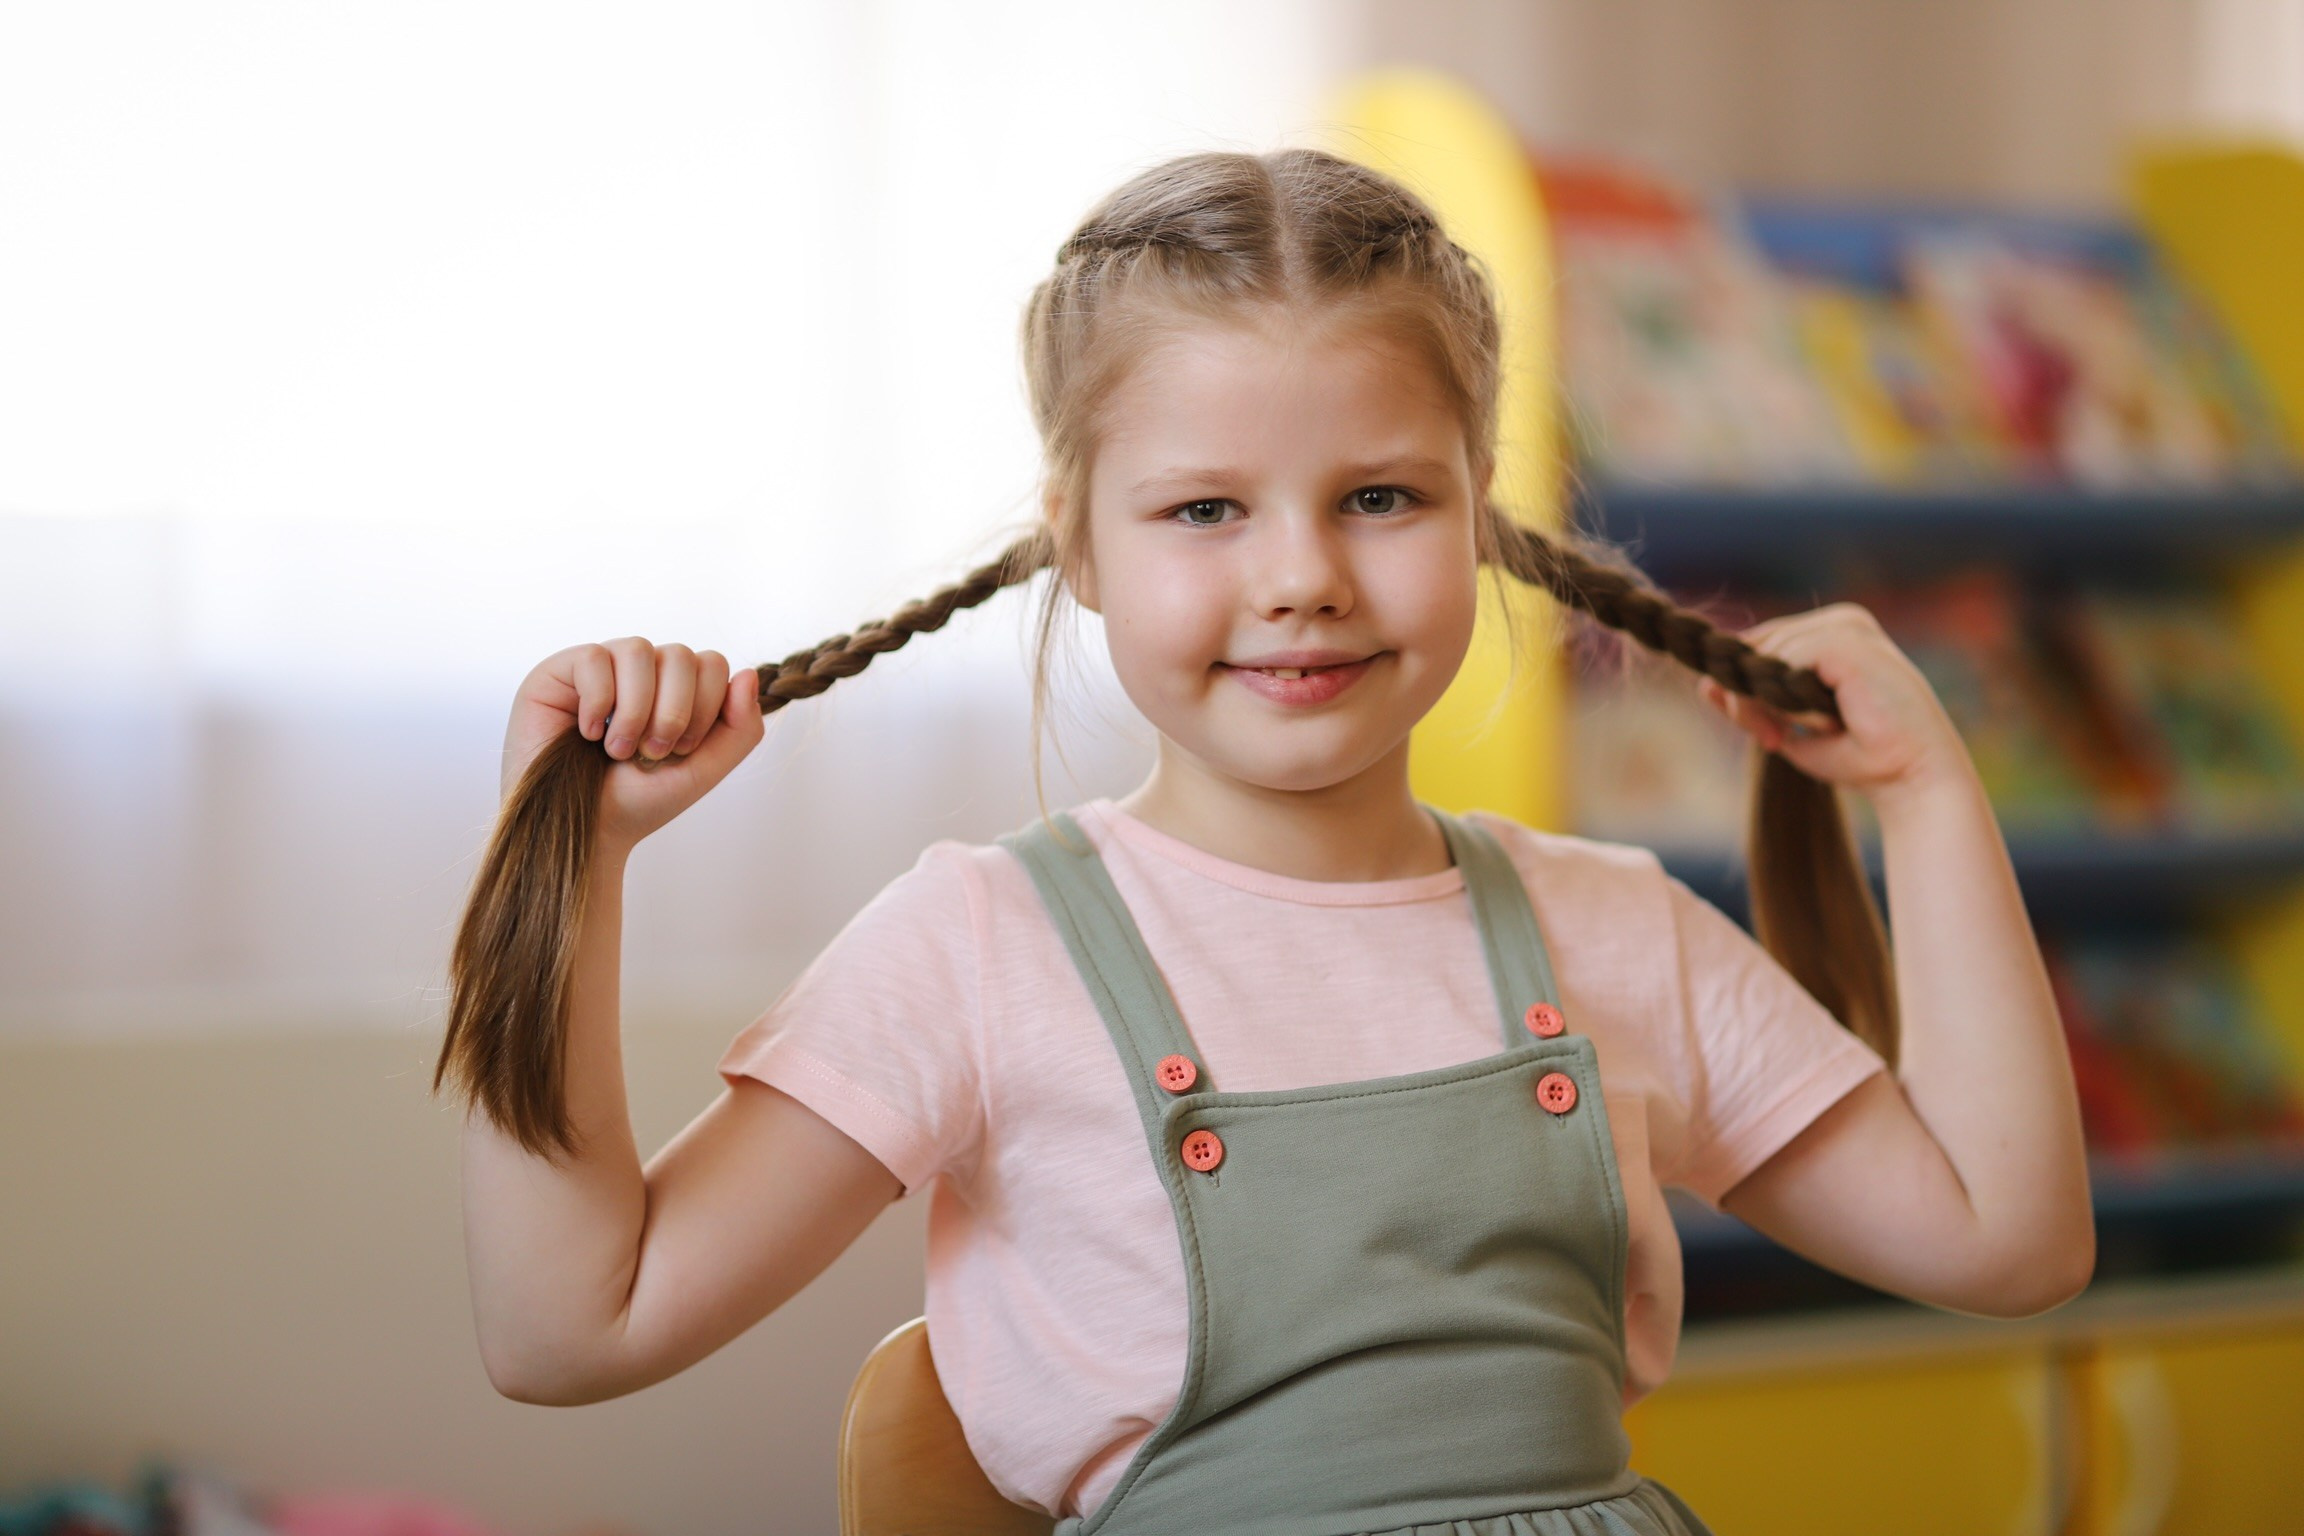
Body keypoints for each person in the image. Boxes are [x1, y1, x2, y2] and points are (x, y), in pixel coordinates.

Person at [438, 149, 2095, 1534]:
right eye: (1204, 509)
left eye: (1380, 496)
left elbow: (2007, 1242)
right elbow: (570, 1330)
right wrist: (576, 859)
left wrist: (1929, 799)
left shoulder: (1616, 926)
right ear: (1075, 542)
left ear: (1482, 509)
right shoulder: (978, 949)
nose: (1299, 574)